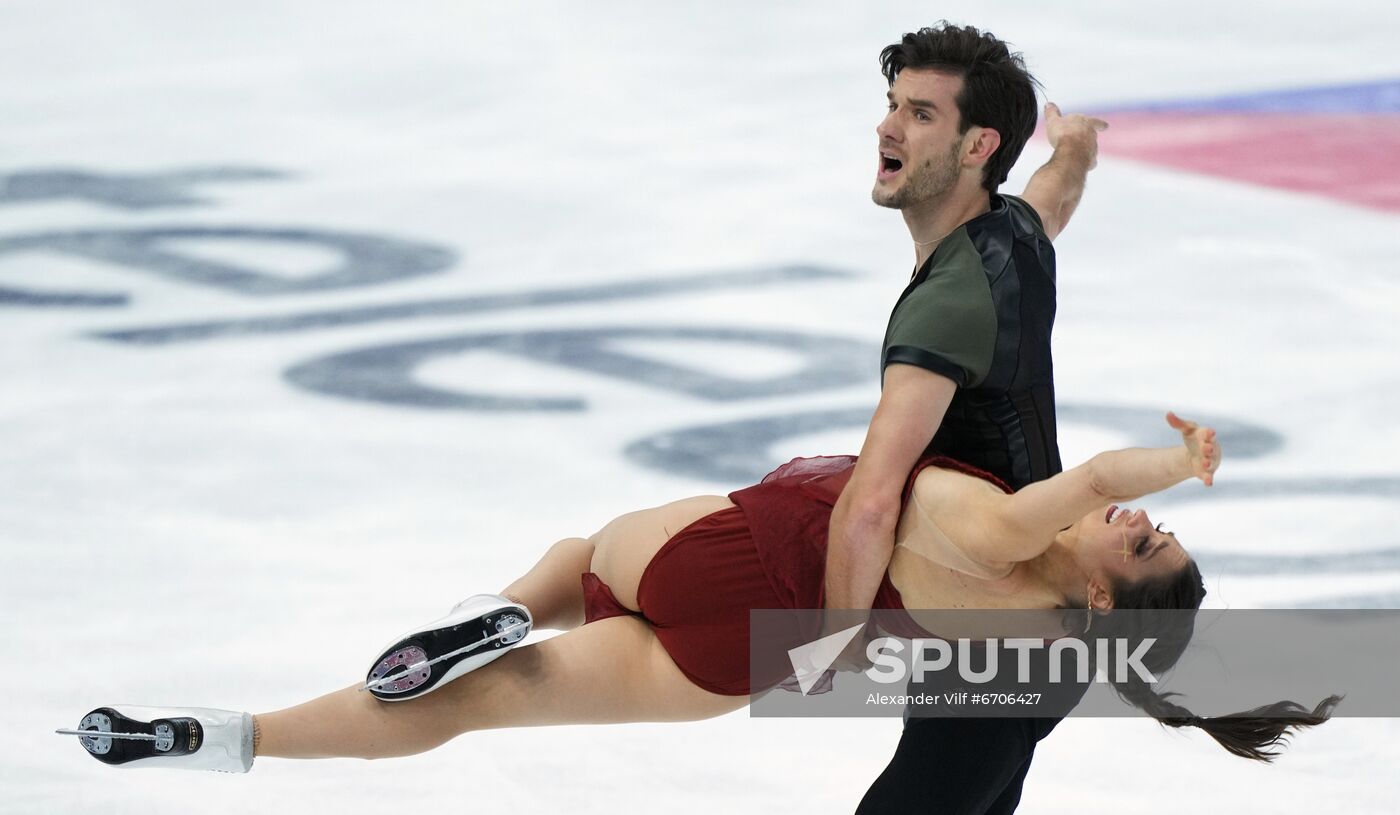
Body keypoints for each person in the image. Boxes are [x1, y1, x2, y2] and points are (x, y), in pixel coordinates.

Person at [64, 413, 1340, 777]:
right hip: (745, 663)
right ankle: (232, 738)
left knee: (579, 553)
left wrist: (1177, 460)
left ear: (1107, 598)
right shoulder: (1033, 638)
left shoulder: (1001, 527)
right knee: (474, 712)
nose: (1135, 520)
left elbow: (1098, 469)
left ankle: (507, 599)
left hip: (725, 554)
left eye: (1142, 543)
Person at [837, 23, 1105, 813]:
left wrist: (832, 641)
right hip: (1043, 629)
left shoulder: (947, 309)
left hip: (1000, 639)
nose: (887, 127)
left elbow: (871, 499)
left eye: (920, 114)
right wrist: (1076, 150)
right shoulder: (1009, 234)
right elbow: (1050, 197)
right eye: (892, 104)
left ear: (978, 144)